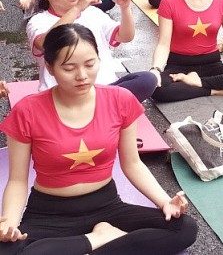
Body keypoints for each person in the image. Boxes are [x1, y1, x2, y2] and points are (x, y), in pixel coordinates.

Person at [0, 24, 198, 254]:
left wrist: (165, 202)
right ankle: (99, 240)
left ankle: (85, 244)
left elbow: (133, 164)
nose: (82, 76)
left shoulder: (120, 99)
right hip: (50, 212)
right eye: (69, 67)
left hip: (107, 206)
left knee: (183, 228)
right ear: (51, 67)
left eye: (90, 64)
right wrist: (9, 224)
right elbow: (16, 180)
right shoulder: (27, 110)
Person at [24, 0, 156, 100]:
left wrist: (125, 8)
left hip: (104, 88)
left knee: (147, 79)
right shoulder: (38, 21)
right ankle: (105, 109)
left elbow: (125, 36)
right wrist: (77, 8)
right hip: (65, 94)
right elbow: (44, 44)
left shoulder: (93, 13)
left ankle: (99, 109)